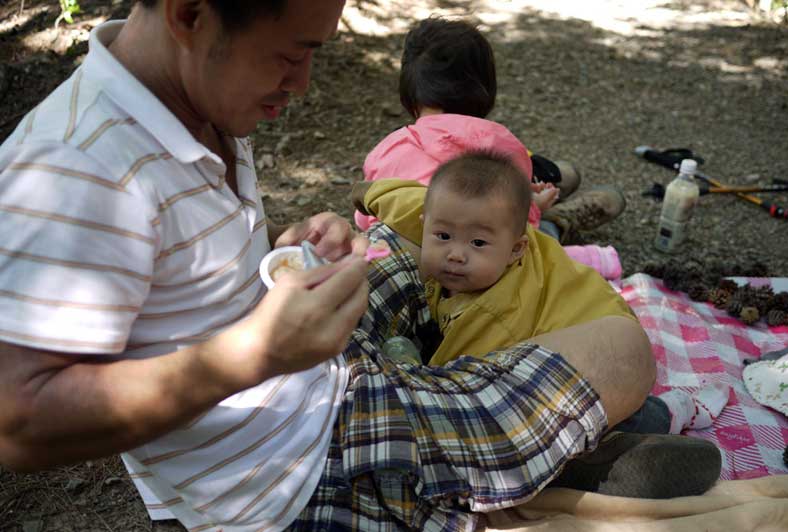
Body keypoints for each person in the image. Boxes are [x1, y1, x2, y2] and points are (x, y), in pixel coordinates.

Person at [0, 2, 720, 531]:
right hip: (295, 473)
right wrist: (257, 352)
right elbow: (17, 422)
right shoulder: (78, 168)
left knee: (427, 249)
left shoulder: (192, 99)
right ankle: (544, 456)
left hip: (308, 383)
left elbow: (177, 298)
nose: (304, 83)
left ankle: (532, 446)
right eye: (289, 56)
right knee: (620, 348)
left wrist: (289, 255)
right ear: (191, 13)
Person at [356, 17, 627, 254]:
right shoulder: (501, 145)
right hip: (473, 268)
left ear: (409, 93)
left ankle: (549, 187)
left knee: (532, 186)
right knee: (535, 237)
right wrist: (534, 208)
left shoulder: (387, 148)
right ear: (484, 89)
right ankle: (558, 219)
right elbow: (509, 225)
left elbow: (365, 218)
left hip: (400, 263)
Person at [354, 150, 634, 366]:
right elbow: (400, 197)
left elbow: (452, 377)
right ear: (424, 223)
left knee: (626, 415)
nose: (455, 254)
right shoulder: (457, 218)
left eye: (477, 243)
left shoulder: (492, 316)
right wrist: (364, 193)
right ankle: (555, 217)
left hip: (608, 341)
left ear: (516, 250)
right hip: (574, 288)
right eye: (442, 236)